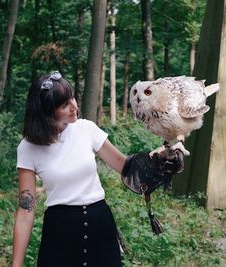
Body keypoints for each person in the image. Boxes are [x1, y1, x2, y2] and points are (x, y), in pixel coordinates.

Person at [12, 71, 184, 267]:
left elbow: (125, 166)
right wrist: (16, 265)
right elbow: (26, 211)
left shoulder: (86, 129)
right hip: (60, 234)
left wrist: (161, 157)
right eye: (64, 105)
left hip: (99, 227)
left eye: (73, 98)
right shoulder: (28, 147)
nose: (74, 106)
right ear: (46, 111)